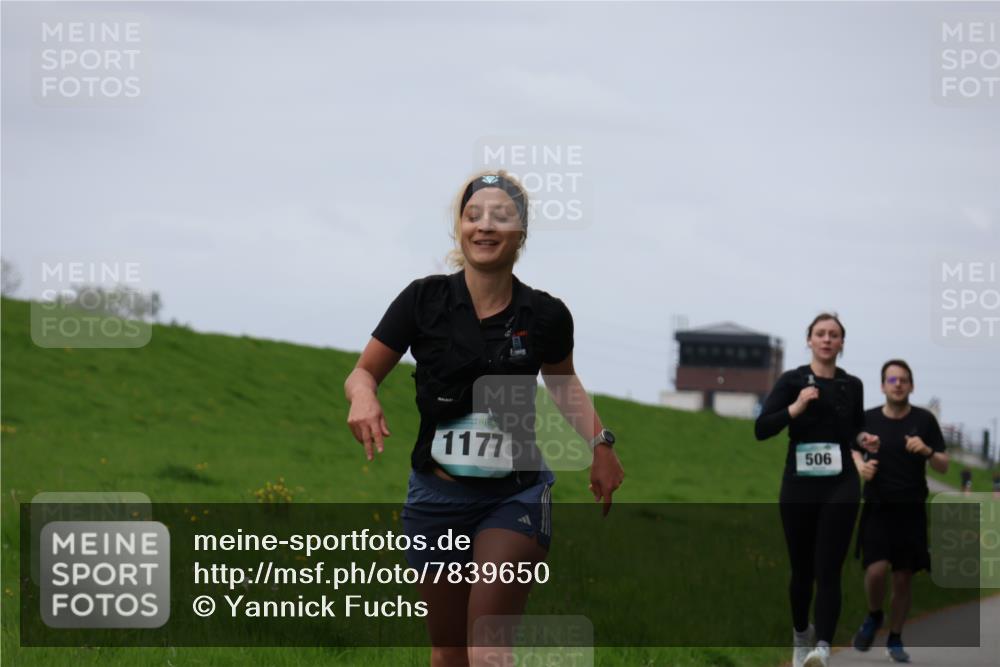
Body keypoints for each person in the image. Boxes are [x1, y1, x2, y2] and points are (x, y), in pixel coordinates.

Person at [344, 170, 625, 667]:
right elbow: (363, 372)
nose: (485, 225)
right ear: (459, 227)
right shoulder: (423, 300)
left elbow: (562, 382)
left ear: (521, 232)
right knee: (449, 652)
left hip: (513, 495)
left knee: (488, 648)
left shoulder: (546, 315)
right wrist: (363, 397)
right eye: (473, 215)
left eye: (501, 215)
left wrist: (600, 446)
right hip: (435, 497)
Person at [754, 313, 880, 667]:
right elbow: (762, 429)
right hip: (799, 483)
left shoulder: (852, 385)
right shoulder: (792, 380)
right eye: (820, 334)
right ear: (809, 340)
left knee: (829, 568)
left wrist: (864, 438)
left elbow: (854, 429)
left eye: (834, 335)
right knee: (802, 571)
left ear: (842, 343)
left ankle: (822, 648)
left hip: (841, 483)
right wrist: (795, 407)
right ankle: (800, 636)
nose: (827, 339)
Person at [851, 359, 948, 663]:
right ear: (882, 386)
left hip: (911, 511)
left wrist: (927, 451)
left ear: (911, 386)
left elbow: (943, 465)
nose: (897, 385)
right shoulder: (867, 419)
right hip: (877, 508)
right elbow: (851, 447)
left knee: (903, 578)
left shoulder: (924, 421)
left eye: (903, 380)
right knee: (876, 571)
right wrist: (861, 466)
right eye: (892, 380)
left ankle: (895, 637)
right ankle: (874, 615)